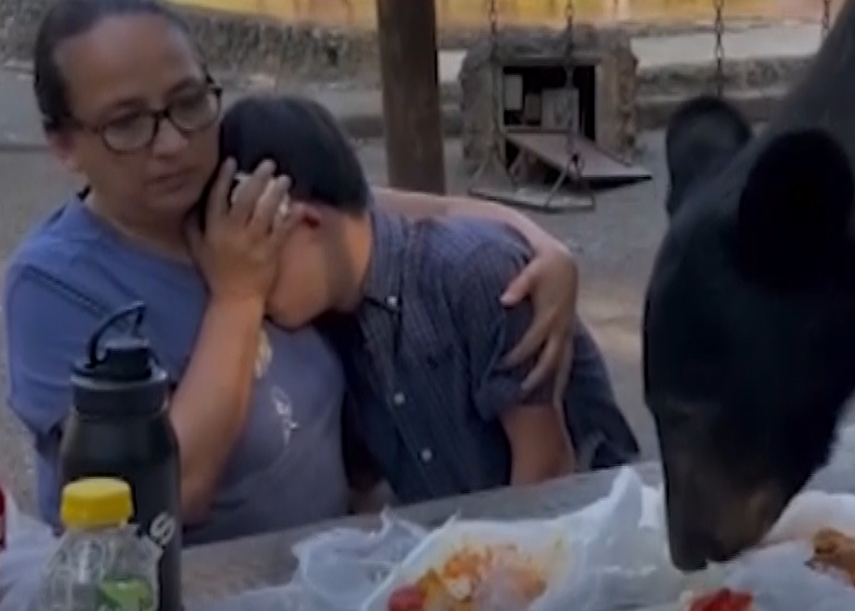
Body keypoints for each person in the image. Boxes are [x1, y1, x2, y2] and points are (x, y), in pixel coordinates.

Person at [4, 0, 580, 544]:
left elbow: (384, 214)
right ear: (64, 145)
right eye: (127, 123)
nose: (175, 143)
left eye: (188, 102)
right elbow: (170, 496)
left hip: (330, 576)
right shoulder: (54, 285)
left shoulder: (234, 194)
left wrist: (545, 249)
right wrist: (236, 298)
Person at [216, 94, 641, 504]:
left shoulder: (475, 274)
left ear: (305, 222)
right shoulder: (330, 322)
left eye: (256, 256)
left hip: (583, 528)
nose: (247, 281)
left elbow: (546, 468)